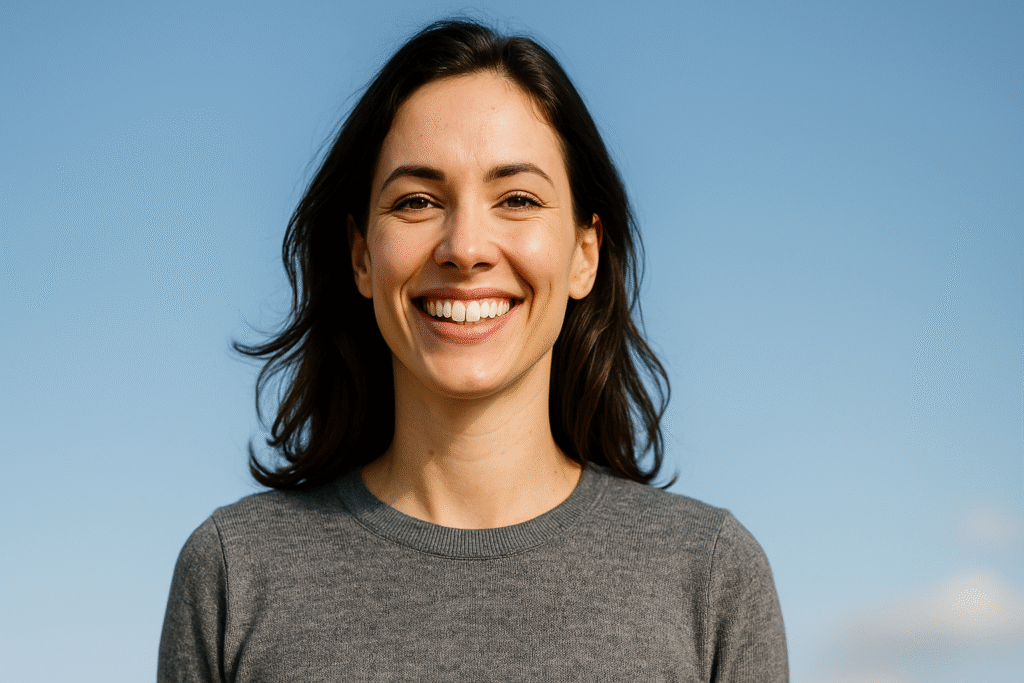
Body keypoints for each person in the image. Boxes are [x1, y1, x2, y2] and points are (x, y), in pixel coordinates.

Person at [158, 19, 788, 682]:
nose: (464, 246)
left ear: (584, 253)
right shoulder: (233, 571)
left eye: (516, 198)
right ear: (360, 256)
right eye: (418, 200)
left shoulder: (713, 577)